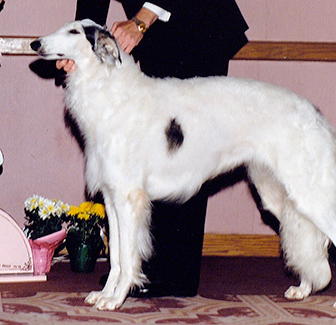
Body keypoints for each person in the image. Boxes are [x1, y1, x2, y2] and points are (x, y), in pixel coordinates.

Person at [58, 0, 248, 298]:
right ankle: (148, 270)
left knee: (186, 156)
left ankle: (177, 276)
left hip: (198, 22)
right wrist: (78, 49)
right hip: (162, 33)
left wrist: (142, 21)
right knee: (154, 156)